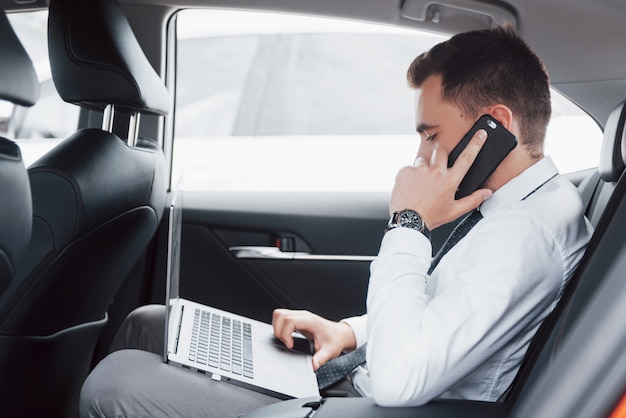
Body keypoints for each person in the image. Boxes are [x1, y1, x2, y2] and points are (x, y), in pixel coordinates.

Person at [80, 25, 593, 417]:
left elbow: (400, 379)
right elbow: (450, 313)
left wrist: (408, 224)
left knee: (116, 382)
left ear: (495, 125)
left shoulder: (523, 235)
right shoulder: (519, 206)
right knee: (152, 323)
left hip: (375, 404)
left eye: (431, 134)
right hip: (364, 378)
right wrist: (347, 333)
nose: (420, 156)